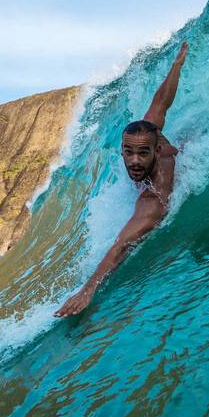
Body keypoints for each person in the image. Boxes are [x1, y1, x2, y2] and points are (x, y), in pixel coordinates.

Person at [55, 41, 189, 318]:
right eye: (128, 152)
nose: (134, 161)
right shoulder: (146, 131)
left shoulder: (153, 198)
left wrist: (88, 290)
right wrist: (176, 66)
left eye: (142, 153)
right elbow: (162, 100)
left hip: (183, 158)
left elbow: (121, 245)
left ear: (157, 148)